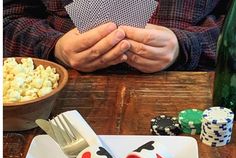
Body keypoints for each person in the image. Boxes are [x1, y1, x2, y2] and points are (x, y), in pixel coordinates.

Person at [3, 0, 229, 73]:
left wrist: (187, 46)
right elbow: (9, 17)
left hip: (191, 85)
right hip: (55, 91)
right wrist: (54, 46)